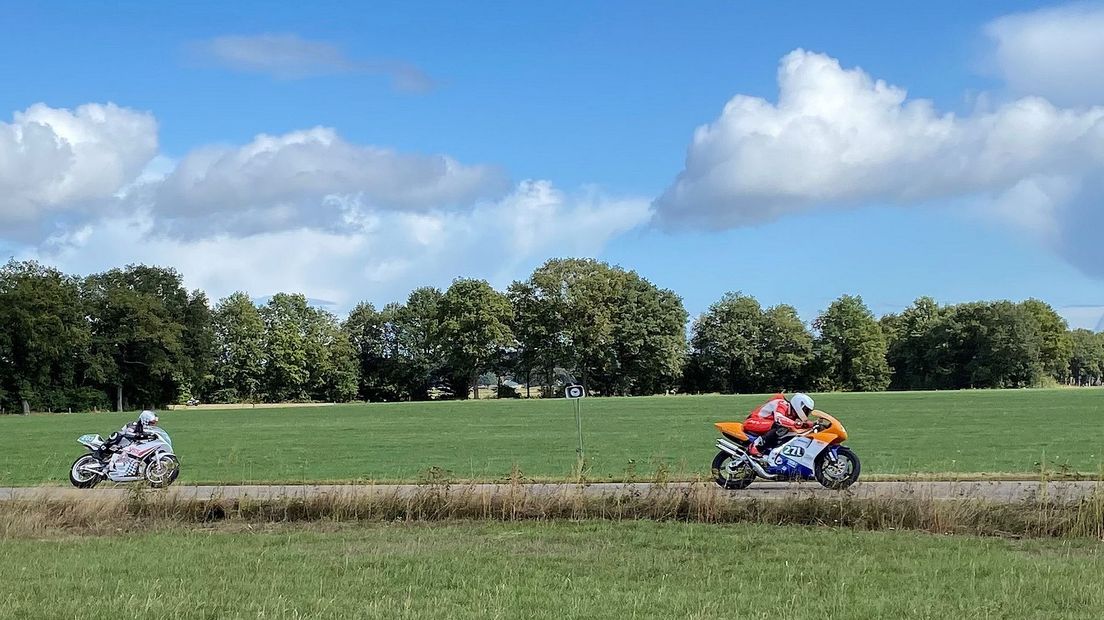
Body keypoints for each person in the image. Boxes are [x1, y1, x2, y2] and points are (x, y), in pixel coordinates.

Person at [744, 393, 814, 459]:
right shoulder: (782, 404)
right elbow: (779, 418)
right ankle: (755, 446)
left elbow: (796, 424)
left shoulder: (793, 413)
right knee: (780, 426)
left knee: (792, 431)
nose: (806, 413)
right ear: (799, 405)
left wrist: (811, 425)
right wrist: (797, 424)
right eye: (805, 410)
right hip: (753, 421)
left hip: (765, 424)